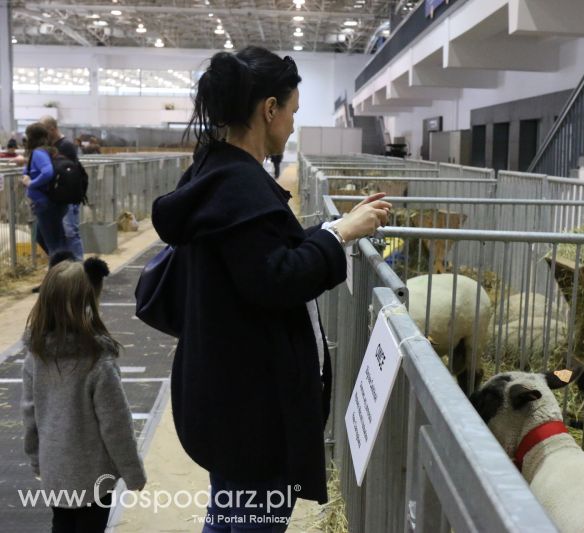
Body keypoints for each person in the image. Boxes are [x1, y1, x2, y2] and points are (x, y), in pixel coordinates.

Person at [151, 46, 391, 532]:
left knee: (228, 513)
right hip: (252, 406)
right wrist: (340, 234)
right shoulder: (240, 185)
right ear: (269, 109)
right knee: (252, 518)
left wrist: (333, 227)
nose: (294, 125)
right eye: (293, 112)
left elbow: (254, 257)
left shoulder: (212, 174)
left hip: (223, 388)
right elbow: (273, 278)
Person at [21, 257, 146, 533]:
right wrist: (132, 471)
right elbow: (116, 424)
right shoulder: (97, 361)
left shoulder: (35, 356)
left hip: (54, 469)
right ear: (88, 302)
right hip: (94, 476)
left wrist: (36, 458)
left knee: (61, 523)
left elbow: (29, 414)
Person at [21, 123, 68, 258]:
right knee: (44, 238)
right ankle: (64, 268)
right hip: (46, 203)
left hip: (45, 204)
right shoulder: (44, 151)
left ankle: (59, 273)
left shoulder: (38, 153)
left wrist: (31, 183)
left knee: (54, 244)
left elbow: (48, 172)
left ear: (31, 137)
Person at [41, 115, 84, 260]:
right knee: (54, 233)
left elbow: (65, 170)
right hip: (59, 197)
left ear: (52, 129)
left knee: (70, 231)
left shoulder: (65, 145)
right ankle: (65, 264)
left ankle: (78, 266)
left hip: (68, 196)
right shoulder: (54, 146)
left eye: (45, 131)